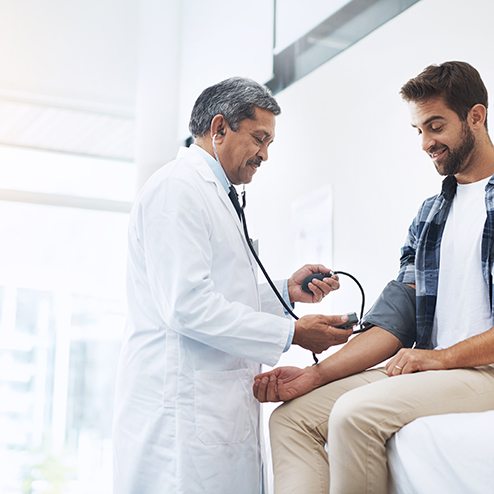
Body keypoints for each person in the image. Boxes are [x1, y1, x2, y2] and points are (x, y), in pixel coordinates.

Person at [253, 61, 494, 494]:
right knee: (291, 421)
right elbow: (395, 321)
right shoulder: (431, 214)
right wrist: (314, 376)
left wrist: (437, 358)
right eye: (418, 130)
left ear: (475, 117)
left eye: (435, 126)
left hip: (484, 371)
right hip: (432, 367)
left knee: (353, 416)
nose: (425, 143)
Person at [112, 77, 354, 494]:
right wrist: (294, 331)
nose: (264, 154)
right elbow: (187, 305)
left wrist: (285, 292)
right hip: (180, 423)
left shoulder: (216, 194)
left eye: (270, 144)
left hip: (213, 412)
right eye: (259, 139)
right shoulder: (177, 189)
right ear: (219, 128)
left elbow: (220, 293)